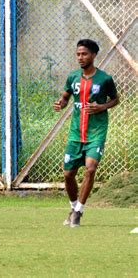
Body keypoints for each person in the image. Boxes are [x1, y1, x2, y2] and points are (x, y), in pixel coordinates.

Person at [54, 39, 119, 227]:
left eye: (84, 54)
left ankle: (78, 212)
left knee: (91, 168)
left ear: (93, 55)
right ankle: (74, 207)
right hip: (76, 133)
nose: (80, 57)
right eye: (78, 54)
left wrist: (102, 107)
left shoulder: (104, 79)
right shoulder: (73, 77)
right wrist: (61, 103)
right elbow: (66, 97)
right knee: (68, 174)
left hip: (96, 131)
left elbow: (115, 100)